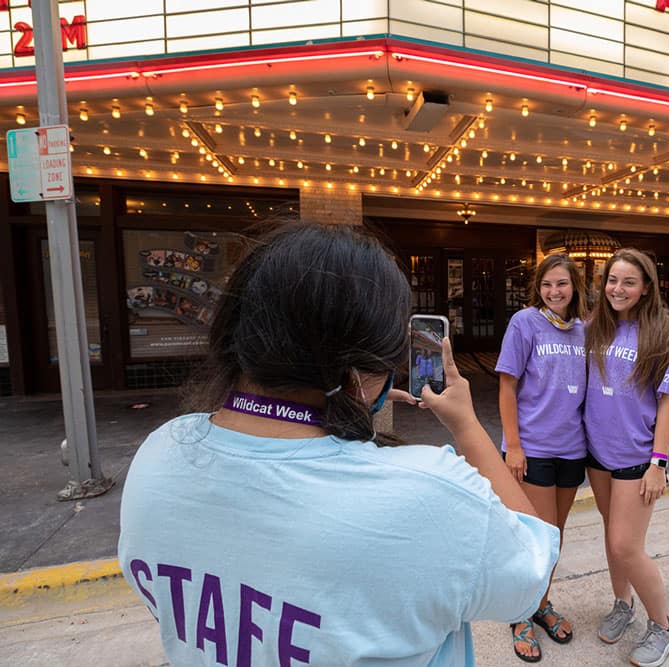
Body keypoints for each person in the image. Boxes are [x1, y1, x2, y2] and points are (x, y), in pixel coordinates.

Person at [118, 222, 559, 667]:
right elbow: (531, 574)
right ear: (358, 374)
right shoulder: (430, 494)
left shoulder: (159, 457)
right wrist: (467, 428)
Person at [583, 248, 669, 667]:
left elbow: (668, 403)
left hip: (637, 458)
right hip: (595, 453)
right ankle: (623, 605)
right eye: (612, 280)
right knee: (612, 536)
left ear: (645, 289)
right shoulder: (593, 328)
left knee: (627, 545)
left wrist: (658, 462)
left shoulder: (662, 336)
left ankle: (663, 626)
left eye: (628, 282)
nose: (617, 289)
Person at [495, 253, 589, 662]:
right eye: (548, 284)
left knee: (556, 534)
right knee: (535, 537)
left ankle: (541, 604)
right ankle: (520, 614)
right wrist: (513, 445)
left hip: (572, 448)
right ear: (539, 288)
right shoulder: (525, 323)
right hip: (531, 447)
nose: (555, 291)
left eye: (562, 284)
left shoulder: (585, 330)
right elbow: (506, 385)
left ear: (574, 288)